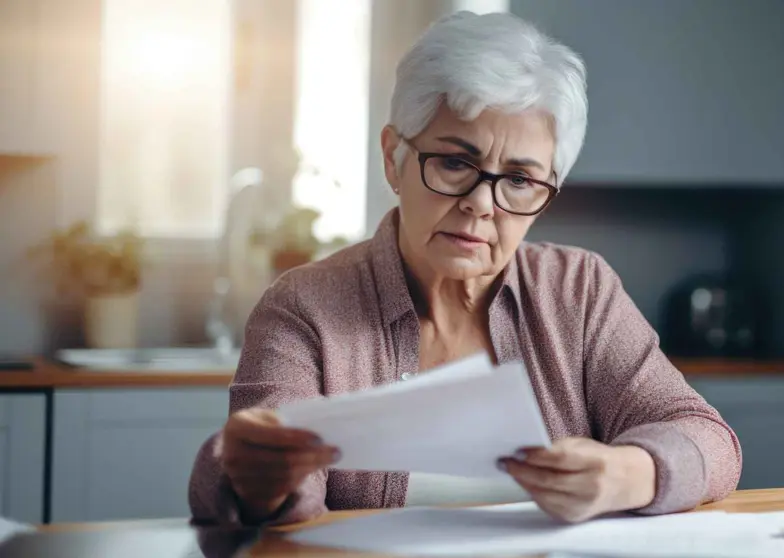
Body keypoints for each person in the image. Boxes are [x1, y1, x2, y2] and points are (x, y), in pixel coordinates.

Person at [189, 11, 741, 527]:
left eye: (520, 180)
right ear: (393, 159)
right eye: (455, 162)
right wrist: (258, 478)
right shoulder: (304, 306)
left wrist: (627, 474)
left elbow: (708, 440)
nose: (482, 204)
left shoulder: (581, 290)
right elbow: (265, 485)